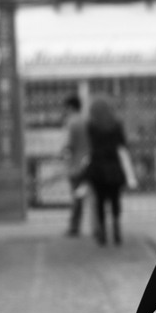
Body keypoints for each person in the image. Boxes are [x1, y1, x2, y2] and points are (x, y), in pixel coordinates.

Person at [85, 98, 128, 246]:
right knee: (115, 199)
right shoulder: (116, 125)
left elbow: (90, 145)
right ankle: (116, 231)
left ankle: (102, 234)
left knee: (100, 201)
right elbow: (123, 144)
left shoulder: (92, 126)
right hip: (113, 166)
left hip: (97, 167)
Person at [62, 95, 90, 237]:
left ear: (71, 107)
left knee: (76, 197)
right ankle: (90, 225)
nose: (65, 111)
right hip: (87, 163)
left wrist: (64, 156)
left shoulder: (71, 122)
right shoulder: (86, 121)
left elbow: (68, 145)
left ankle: (74, 227)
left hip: (75, 165)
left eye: (66, 108)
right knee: (83, 196)